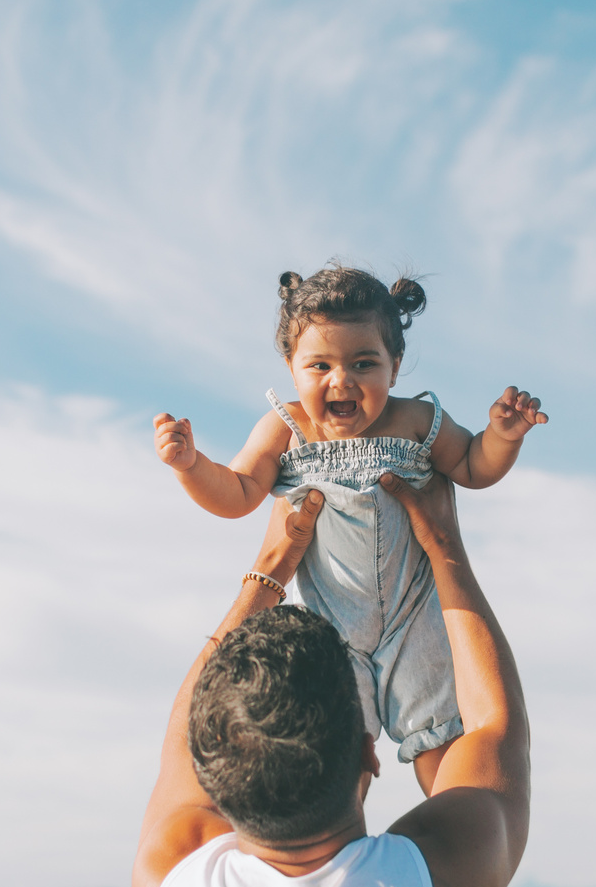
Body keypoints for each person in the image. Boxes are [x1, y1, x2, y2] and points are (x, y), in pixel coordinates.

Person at [133, 469, 529, 887]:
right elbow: (492, 728)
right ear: (371, 755)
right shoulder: (443, 878)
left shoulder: (174, 881)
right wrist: (444, 550)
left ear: (217, 784)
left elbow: (181, 746)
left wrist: (268, 569)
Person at [152, 266, 546, 798]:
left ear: (395, 366)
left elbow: (474, 467)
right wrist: (191, 465)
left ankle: (462, 837)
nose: (342, 380)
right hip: (328, 624)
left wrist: (503, 437)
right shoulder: (286, 428)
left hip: (416, 618)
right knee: (338, 761)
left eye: (365, 364)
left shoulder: (417, 420)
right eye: (320, 365)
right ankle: (341, 861)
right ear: (293, 369)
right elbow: (239, 492)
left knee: (444, 751)